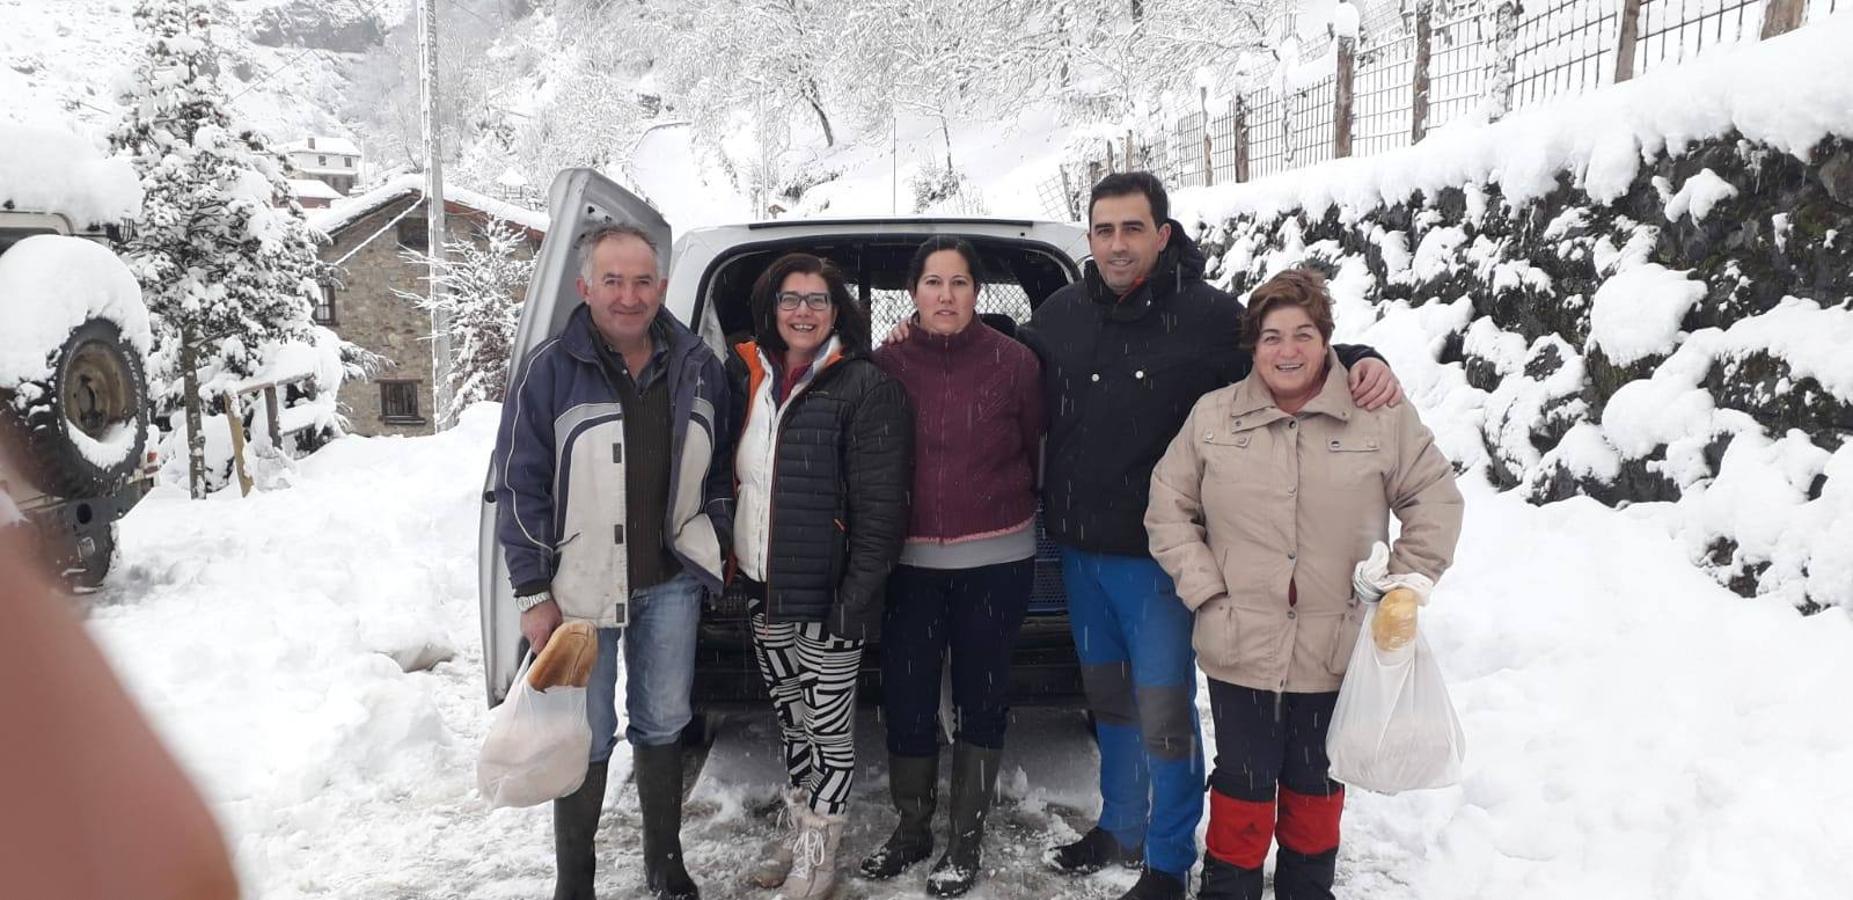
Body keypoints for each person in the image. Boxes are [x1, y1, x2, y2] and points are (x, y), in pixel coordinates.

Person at [1024, 173, 1403, 900]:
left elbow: (1287, 353)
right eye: (1102, 230)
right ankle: (1120, 824)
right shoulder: (1061, 313)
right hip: (1077, 550)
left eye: (1132, 229)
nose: (1116, 244)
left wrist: (1358, 355)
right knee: (1108, 702)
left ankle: (1168, 860)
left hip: (1161, 559)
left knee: (1164, 712)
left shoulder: (1206, 319)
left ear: (1162, 235)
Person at [1146, 267, 1464, 900]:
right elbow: (1167, 507)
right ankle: (1228, 889)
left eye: (1302, 334)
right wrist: (1208, 592)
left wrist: (1406, 583)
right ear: (1253, 346)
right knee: (1241, 781)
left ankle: (1307, 890)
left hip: (1336, 643)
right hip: (1240, 644)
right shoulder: (1214, 416)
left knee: (1316, 783)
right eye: (1271, 337)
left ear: (1327, 342)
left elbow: (1434, 497)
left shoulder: (1379, 415)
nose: (1287, 351)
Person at [491, 223, 733, 900]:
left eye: (642, 281)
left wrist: (712, 532)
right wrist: (533, 591)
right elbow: (517, 485)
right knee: (583, 736)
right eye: (612, 281)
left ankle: (664, 860)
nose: (628, 296)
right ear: (584, 288)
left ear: (660, 285)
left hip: (670, 584)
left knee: (662, 721)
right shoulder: (549, 370)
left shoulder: (697, 365)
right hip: (579, 591)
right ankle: (577, 879)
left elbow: (718, 468)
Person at [728, 252, 914, 900]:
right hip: (763, 588)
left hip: (829, 597)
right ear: (770, 309)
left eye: (816, 300)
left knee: (830, 732)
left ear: (838, 312)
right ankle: (799, 828)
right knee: (793, 722)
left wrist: (853, 601)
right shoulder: (749, 377)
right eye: (789, 299)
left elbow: (881, 510)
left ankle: (818, 854)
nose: (801, 311)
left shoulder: (863, 386)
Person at [863, 237, 1044, 896]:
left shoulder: (1015, 363)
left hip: (996, 558)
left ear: (976, 291)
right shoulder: (883, 365)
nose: (946, 295)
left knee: (981, 696)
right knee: (906, 697)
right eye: (933, 282)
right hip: (908, 562)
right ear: (912, 293)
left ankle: (964, 840)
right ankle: (912, 828)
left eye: (959, 282)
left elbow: (1032, 440)